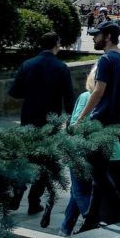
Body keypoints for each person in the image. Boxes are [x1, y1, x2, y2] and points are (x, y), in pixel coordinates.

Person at [75, 20, 120, 228]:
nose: (94, 38)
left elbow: (98, 91)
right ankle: (91, 219)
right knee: (100, 170)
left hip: (100, 121)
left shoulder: (106, 60)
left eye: (97, 35)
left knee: (97, 171)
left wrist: (80, 118)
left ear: (108, 37)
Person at [7, 32, 75, 219]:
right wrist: (70, 121)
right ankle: (34, 201)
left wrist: (31, 94)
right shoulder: (61, 67)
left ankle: (16, 194)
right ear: (56, 44)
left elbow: (14, 92)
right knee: (45, 162)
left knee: (25, 157)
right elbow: (69, 99)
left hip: (28, 118)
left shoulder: (28, 65)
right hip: (50, 121)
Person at [60, 67, 120, 236]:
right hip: (107, 152)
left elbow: (76, 124)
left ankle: (90, 220)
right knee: (76, 191)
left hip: (82, 150)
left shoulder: (86, 97)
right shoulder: (113, 100)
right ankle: (65, 228)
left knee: (79, 190)